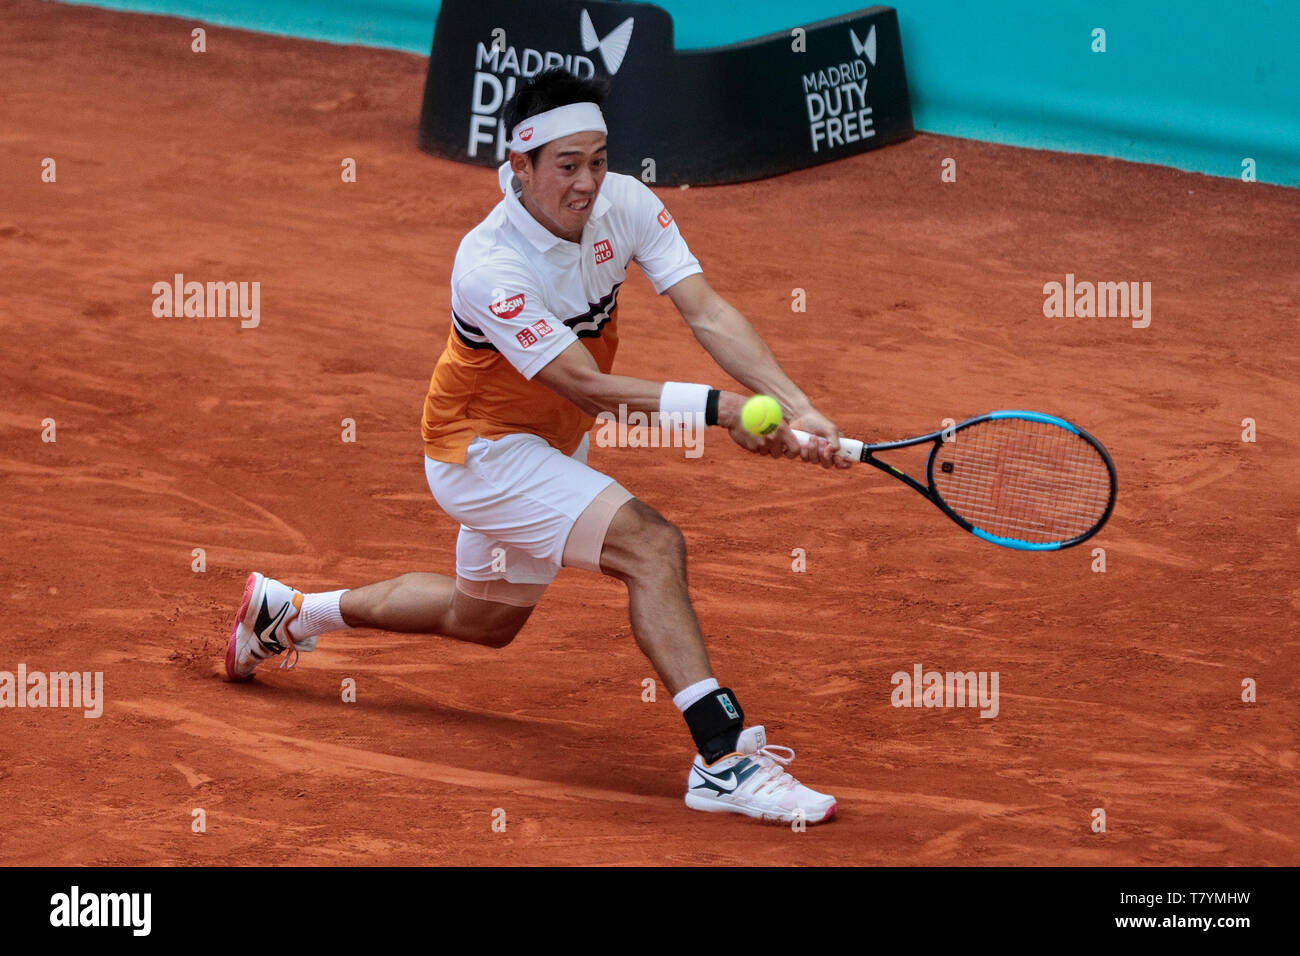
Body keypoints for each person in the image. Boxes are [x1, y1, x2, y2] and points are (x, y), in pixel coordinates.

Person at [225, 69, 851, 825]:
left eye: (598, 159)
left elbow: (707, 312)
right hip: (482, 452)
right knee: (651, 547)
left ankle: (288, 614)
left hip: (550, 447)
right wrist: (727, 411)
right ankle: (722, 760)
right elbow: (585, 386)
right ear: (519, 168)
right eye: (566, 165)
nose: (587, 182)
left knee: (481, 621)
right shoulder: (491, 265)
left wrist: (797, 406)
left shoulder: (626, 204)